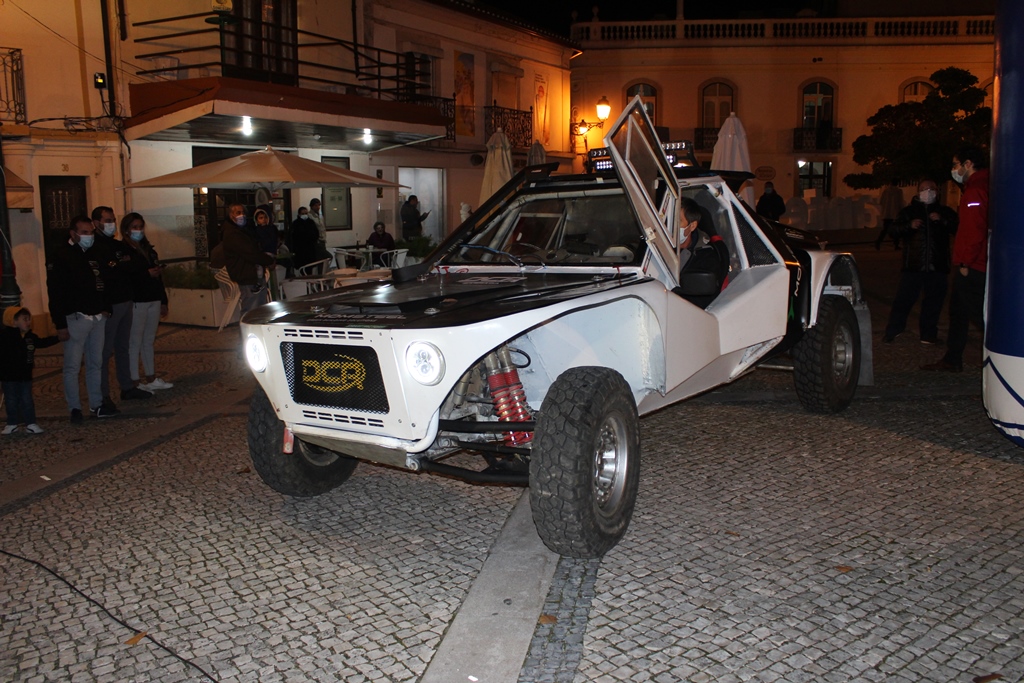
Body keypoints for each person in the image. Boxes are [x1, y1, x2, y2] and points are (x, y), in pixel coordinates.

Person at [923, 145, 990, 372]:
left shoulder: (975, 190)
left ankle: (1003, 350)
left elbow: (973, 229)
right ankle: (952, 358)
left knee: (976, 312)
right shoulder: (983, 185)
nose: (954, 169)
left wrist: (964, 262)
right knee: (959, 311)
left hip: (973, 263)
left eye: (956, 164)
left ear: (968, 164)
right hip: (976, 260)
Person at [47, 215, 117, 421]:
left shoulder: (96, 253)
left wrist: (106, 308)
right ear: (73, 233)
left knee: (96, 363)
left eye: (91, 232)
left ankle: (97, 404)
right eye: (84, 232)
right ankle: (75, 408)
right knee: (72, 366)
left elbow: (104, 282)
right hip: (75, 317)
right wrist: (60, 324)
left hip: (97, 317)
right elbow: (55, 292)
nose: (89, 236)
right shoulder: (61, 255)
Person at [882, 179, 958, 345]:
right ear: (918, 192)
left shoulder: (944, 211)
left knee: (934, 302)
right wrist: (909, 225)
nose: (927, 191)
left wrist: (942, 220)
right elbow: (893, 230)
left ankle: (928, 334)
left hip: (937, 265)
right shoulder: (909, 212)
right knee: (904, 300)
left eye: (931, 188)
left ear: (937, 191)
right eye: (923, 189)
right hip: (914, 265)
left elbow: (957, 228)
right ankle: (894, 331)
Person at [93, 206, 151, 406]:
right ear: (96, 223)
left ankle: (127, 387)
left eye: (113, 220)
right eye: (107, 220)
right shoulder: (96, 247)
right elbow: (109, 272)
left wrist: (122, 265)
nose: (111, 224)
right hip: (110, 304)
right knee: (104, 351)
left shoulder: (117, 245)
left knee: (122, 347)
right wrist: (121, 265)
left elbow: (136, 264)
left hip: (126, 300)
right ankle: (102, 394)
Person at [122, 213, 173, 393]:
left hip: (153, 298)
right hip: (137, 300)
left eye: (140, 227)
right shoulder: (124, 251)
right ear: (127, 229)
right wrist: (146, 274)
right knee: (135, 341)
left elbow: (159, 278)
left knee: (148, 340)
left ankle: (151, 377)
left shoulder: (148, 249)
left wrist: (163, 300)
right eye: (134, 227)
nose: (138, 230)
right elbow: (126, 276)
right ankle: (135, 380)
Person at [0, 306, 58, 434]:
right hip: (8, 376)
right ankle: (12, 423)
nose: (28, 322)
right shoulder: (4, 336)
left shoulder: (29, 336)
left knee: (27, 400)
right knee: (10, 400)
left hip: (25, 375)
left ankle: (30, 423)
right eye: (25, 319)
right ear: (14, 321)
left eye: (28, 319)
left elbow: (42, 343)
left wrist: (57, 338)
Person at [672, 197, 730, 309]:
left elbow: (703, 299)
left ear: (692, 226)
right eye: (669, 219)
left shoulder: (706, 256)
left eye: (678, 221)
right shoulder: (653, 246)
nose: (671, 226)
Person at [220, 203, 275, 315]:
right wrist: (268, 260)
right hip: (247, 274)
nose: (242, 215)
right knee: (251, 309)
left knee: (258, 309)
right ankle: (247, 326)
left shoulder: (242, 230)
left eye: (243, 212)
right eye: (238, 213)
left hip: (250, 273)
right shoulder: (233, 233)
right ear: (231, 215)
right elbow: (250, 253)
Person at [876, 184, 905, 250]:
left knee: (885, 229)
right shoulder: (898, 191)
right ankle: (896, 244)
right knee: (896, 229)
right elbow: (900, 203)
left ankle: (878, 242)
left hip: (887, 213)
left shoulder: (886, 191)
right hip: (895, 213)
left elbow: (881, 202)